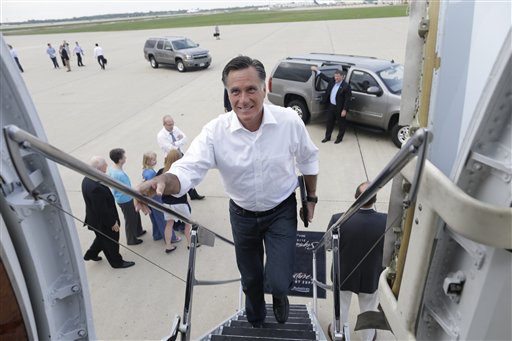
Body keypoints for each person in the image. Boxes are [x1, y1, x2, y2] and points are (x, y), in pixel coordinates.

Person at [136, 56, 319, 328]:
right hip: (242, 216)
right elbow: (188, 169)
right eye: (235, 91)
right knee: (251, 277)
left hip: (281, 211)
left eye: (250, 89)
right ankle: (256, 318)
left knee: (279, 278)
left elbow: (308, 160)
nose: (243, 99)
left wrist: (311, 199)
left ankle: (280, 295)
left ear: (264, 89)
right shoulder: (215, 131)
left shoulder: (289, 121)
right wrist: (163, 180)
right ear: (228, 93)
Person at [327, 181, 387, 341]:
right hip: (371, 276)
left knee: (340, 307)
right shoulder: (386, 221)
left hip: (344, 274)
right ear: (374, 200)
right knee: (369, 310)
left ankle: (335, 333)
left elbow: (327, 245)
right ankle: (368, 337)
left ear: (355, 198)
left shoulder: (338, 219)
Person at [82, 156, 135, 269]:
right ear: (99, 168)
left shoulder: (88, 178)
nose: (107, 166)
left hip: (95, 219)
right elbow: (102, 209)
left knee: (102, 238)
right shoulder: (94, 187)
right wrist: (112, 223)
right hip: (103, 221)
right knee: (111, 241)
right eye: (105, 165)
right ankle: (117, 262)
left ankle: (91, 253)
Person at [156, 115, 205, 200]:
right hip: (171, 158)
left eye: (172, 124)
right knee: (176, 176)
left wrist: (176, 143)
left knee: (187, 174)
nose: (172, 126)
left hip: (180, 155)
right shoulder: (161, 136)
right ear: (164, 124)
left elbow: (185, 139)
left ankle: (193, 193)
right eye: (169, 125)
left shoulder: (175, 128)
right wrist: (178, 142)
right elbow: (170, 148)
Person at [158, 150, 193, 254]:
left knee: (169, 224)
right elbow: (188, 187)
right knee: (188, 224)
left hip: (166, 204)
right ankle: (189, 244)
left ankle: (168, 246)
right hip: (180, 203)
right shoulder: (180, 172)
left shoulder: (161, 171)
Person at [108, 148, 146, 245]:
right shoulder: (120, 175)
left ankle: (138, 231)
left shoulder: (112, 170)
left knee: (135, 214)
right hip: (126, 199)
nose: (126, 157)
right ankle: (131, 239)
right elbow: (128, 189)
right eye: (124, 156)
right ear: (120, 160)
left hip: (122, 198)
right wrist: (141, 185)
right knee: (130, 219)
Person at [142, 151, 180, 243]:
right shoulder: (151, 173)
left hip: (149, 197)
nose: (155, 161)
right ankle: (171, 238)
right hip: (155, 197)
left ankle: (157, 234)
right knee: (162, 218)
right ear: (147, 161)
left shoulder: (145, 171)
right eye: (153, 160)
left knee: (154, 217)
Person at [311, 66, 352, 144]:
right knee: (329, 122)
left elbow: (347, 99)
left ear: (342, 77)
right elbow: (325, 78)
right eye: (335, 76)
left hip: (340, 108)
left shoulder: (346, 86)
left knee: (341, 124)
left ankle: (339, 138)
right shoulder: (332, 81)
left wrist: (344, 110)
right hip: (331, 106)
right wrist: (316, 70)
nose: (336, 78)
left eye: (337, 77)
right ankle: (327, 137)